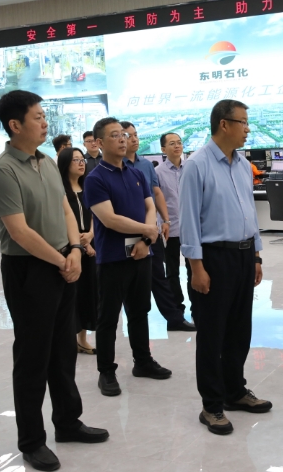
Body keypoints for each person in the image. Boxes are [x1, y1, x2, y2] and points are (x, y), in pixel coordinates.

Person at [0, 90, 108, 472]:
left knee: (63, 350)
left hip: (62, 260)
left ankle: (68, 422)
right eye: (37, 117)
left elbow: (65, 208)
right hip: (29, 270)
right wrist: (63, 260)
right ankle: (31, 441)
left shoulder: (47, 162)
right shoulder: (3, 170)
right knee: (33, 357)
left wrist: (74, 249)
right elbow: (19, 232)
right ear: (15, 124)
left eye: (44, 115)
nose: (45, 122)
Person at [180, 99, 271, 435]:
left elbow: (249, 213)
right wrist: (196, 268)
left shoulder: (242, 164)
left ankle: (235, 391)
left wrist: (256, 255)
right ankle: (212, 405)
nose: (247, 128)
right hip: (213, 258)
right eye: (243, 122)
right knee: (212, 334)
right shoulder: (197, 165)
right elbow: (189, 221)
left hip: (244, 256)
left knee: (239, 330)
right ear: (224, 124)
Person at [85, 117, 172, 399]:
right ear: (100, 143)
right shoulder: (96, 179)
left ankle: (142, 361)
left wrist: (146, 240)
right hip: (112, 258)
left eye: (123, 134)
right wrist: (147, 231)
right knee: (108, 317)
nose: (122, 139)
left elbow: (149, 207)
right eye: (115, 135)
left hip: (141, 253)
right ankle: (106, 371)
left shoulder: (136, 174)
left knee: (139, 311)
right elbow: (109, 219)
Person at [121, 121, 194, 331]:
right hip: (127, 232)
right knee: (132, 281)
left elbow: (156, 193)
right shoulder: (113, 167)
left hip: (151, 230)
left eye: (136, 135)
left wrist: (164, 220)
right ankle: (137, 325)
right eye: (128, 135)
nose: (134, 139)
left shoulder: (145, 165)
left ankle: (174, 318)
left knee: (158, 276)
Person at [57, 147, 98, 355]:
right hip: (70, 248)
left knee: (88, 294)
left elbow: (96, 214)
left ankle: (82, 339)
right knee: (71, 295)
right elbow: (62, 219)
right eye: (76, 160)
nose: (81, 163)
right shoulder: (60, 191)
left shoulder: (88, 187)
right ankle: (68, 339)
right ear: (66, 164)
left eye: (82, 160)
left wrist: (90, 236)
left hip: (90, 246)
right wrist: (80, 243)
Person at [155, 132, 189, 315]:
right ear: (163, 149)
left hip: (191, 228)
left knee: (194, 268)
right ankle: (177, 309)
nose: (177, 146)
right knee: (172, 271)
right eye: (172, 143)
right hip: (170, 228)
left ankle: (198, 307)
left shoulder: (190, 168)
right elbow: (156, 201)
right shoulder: (158, 172)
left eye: (179, 142)